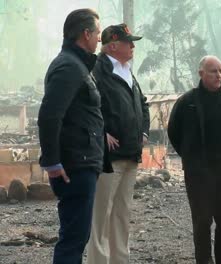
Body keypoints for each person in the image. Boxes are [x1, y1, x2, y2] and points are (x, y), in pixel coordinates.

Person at [38, 8, 106, 264]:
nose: (99, 38)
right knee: (73, 240)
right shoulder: (69, 66)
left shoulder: (78, 65)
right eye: (97, 32)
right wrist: (53, 163)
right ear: (86, 33)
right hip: (75, 166)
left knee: (77, 238)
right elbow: (49, 116)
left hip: (82, 162)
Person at [86, 23, 149, 264]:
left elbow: (142, 104)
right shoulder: (96, 71)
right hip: (108, 158)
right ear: (112, 45)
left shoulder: (127, 71)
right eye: (128, 42)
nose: (133, 46)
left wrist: (143, 132)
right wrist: (101, 133)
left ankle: (120, 261)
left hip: (131, 154)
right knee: (101, 216)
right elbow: (86, 107)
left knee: (122, 215)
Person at [168, 55, 221, 264]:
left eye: (220, 71)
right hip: (199, 177)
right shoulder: (186, 102)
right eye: (213, 71)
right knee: (201, 225)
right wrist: (190, 158)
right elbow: (174, 132)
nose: (218, 75)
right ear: (201, 74)